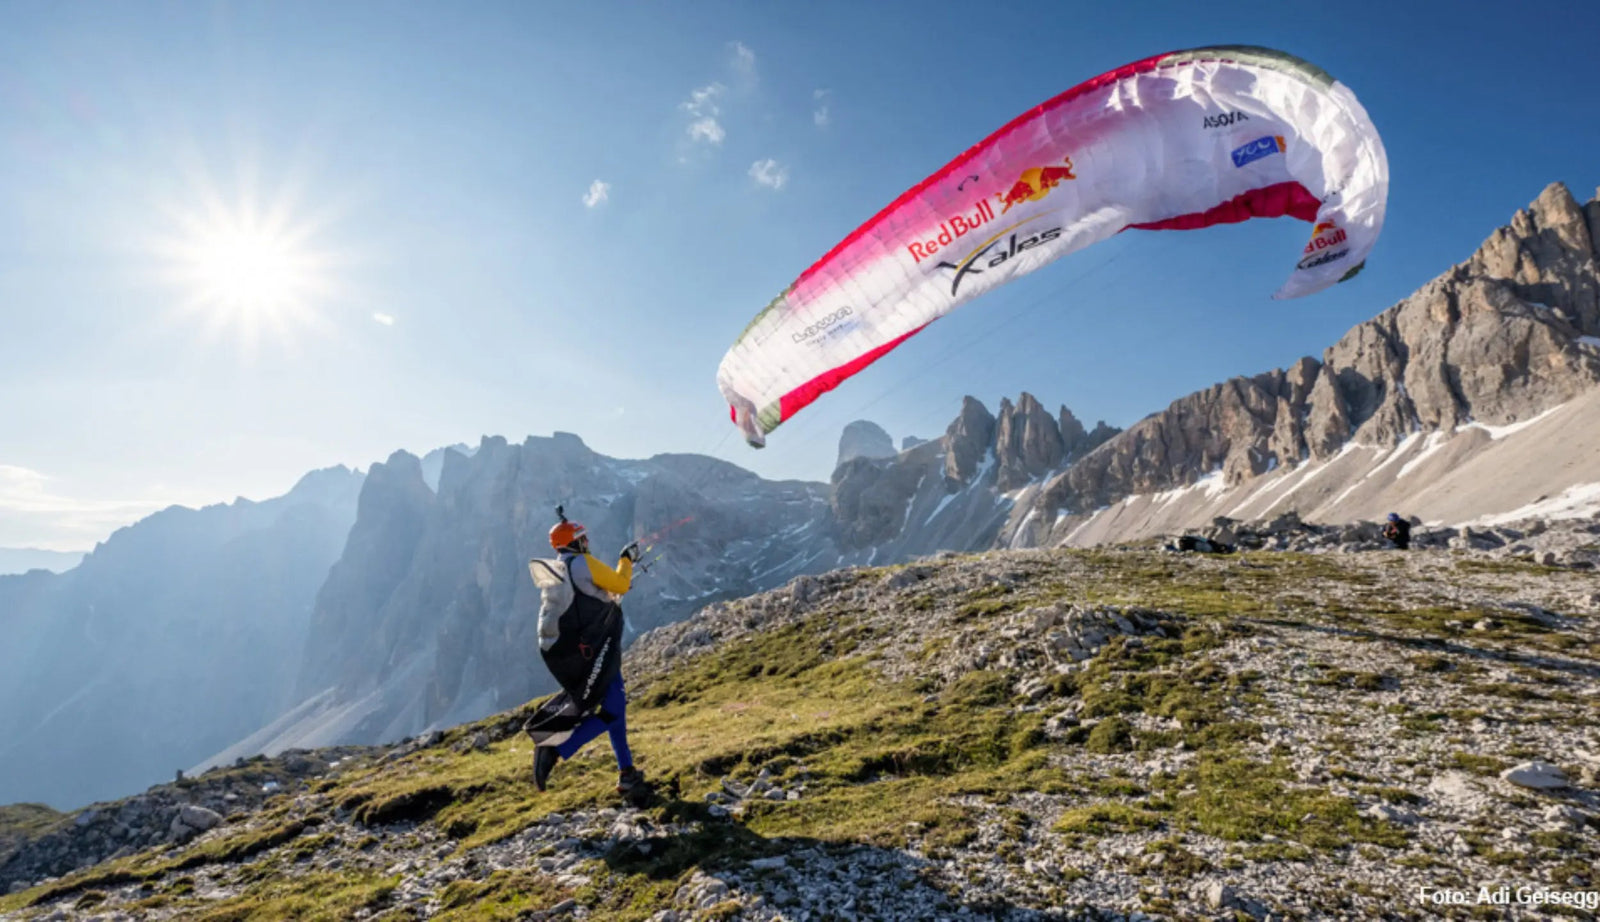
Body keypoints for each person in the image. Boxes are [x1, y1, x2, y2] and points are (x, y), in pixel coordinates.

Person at [532, 512, 645, 796]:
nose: (587, 542)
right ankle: (556, 749)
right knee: (613, 708)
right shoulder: (582, 563)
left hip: (576, 651)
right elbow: (620, 585)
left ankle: (627, 773)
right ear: (575, 542)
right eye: (583, 538)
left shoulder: (559, 569)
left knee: (615, 704)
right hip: (594, 650)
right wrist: (626, 560)